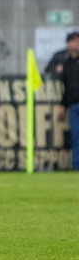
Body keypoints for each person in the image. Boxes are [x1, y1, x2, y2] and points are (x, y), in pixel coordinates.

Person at [55, 32, 79, 170]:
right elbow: (67, 88)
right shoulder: (67, 63)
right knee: (76, 137)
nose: (76, 44)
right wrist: (62, 106)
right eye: (73, 41)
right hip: (74, 105)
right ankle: (77, 166)